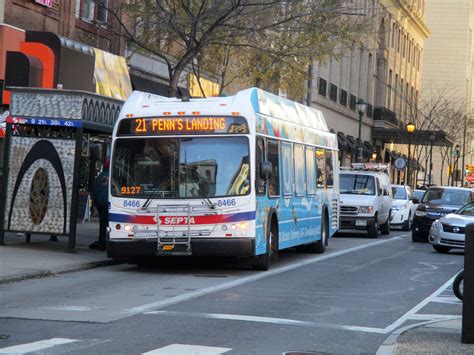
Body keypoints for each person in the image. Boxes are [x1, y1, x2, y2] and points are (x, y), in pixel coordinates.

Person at [89, 159, 110, 251]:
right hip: (110, 204)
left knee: (102, 224)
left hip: (100, 203)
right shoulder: (114, 176)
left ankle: (102, 242)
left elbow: (95, 191)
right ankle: (110, 241)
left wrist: (94, 203)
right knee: (111, 224)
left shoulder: (99, 176)